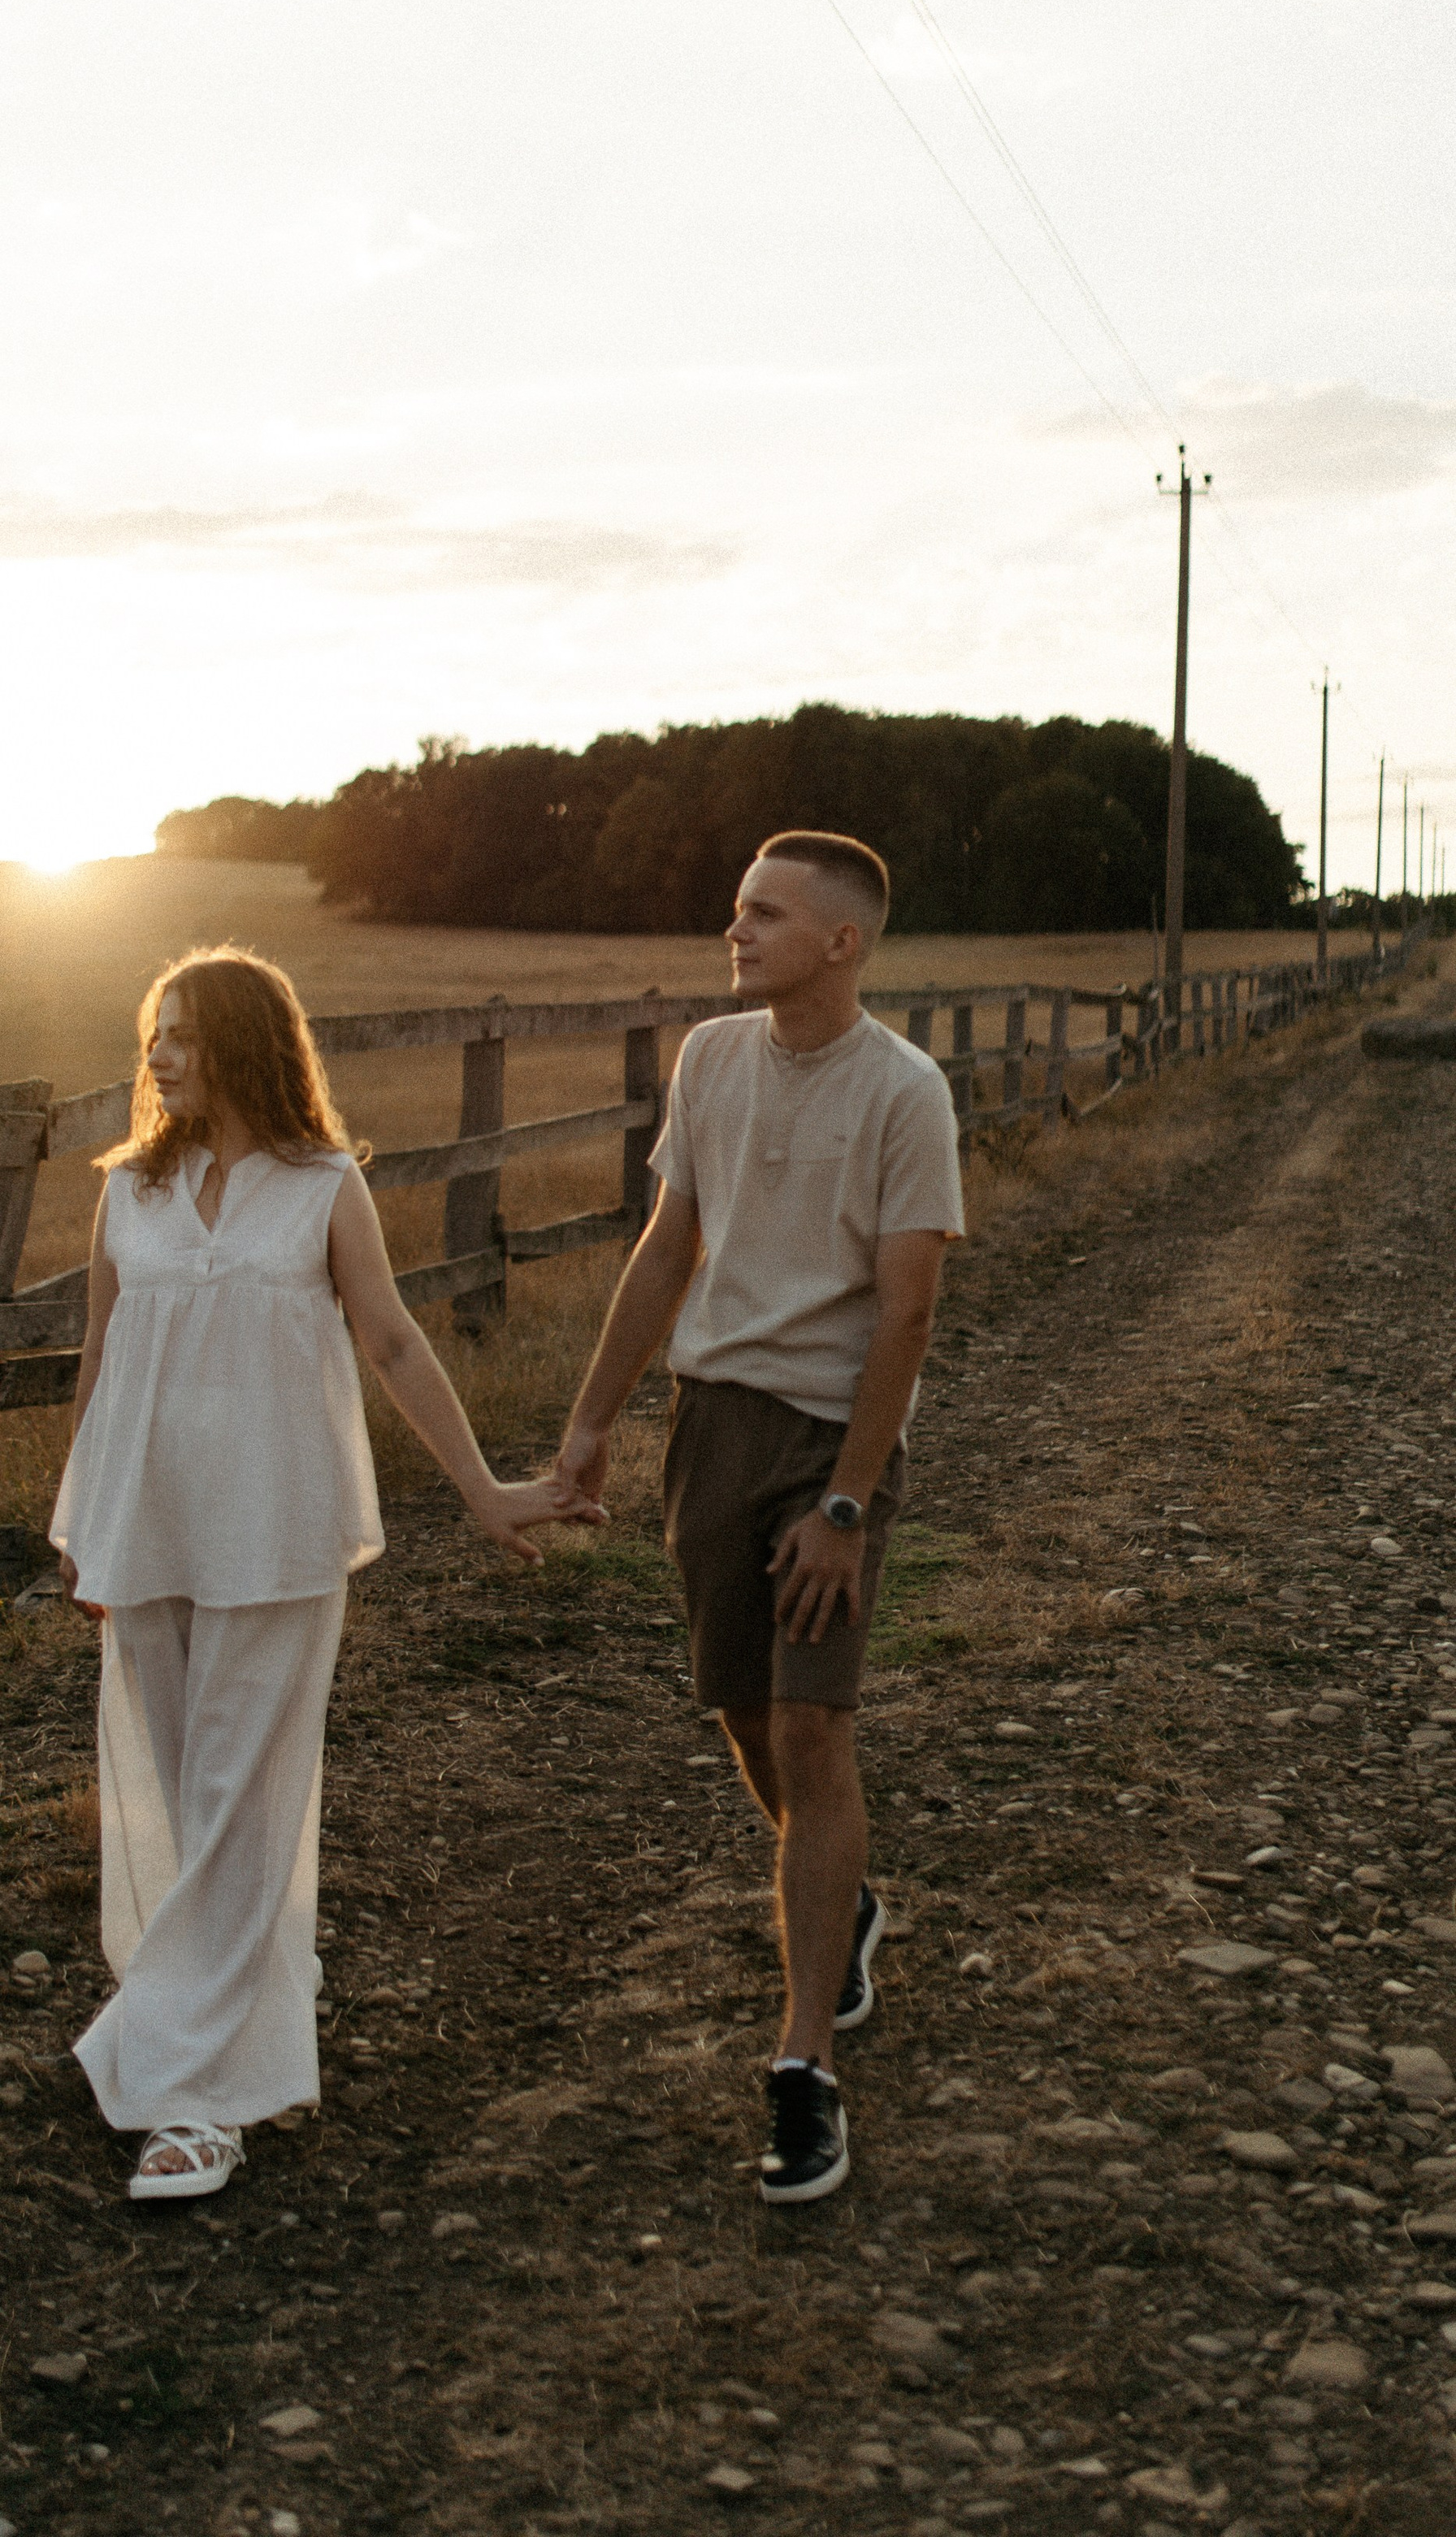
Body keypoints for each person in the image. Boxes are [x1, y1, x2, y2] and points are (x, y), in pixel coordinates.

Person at [53, 946, 600, 2201]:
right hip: (145, 1526)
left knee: (243, 1798)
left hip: (276, 1530)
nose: (158, 1055)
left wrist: (485, 1492)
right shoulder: (126, 1194)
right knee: (184, 1795)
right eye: (152, 1032)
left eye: (182, 1033)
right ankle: (235, 2012)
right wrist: (79, 1520)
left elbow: (395, 1344)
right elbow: (99, 1356)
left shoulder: (321, 1188)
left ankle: (195, 2099)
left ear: (248, 1042)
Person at [553, 833, 964, 2204]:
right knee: (740, 1707)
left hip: (832, 1436)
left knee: (810, 1722)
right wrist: (594, 1415)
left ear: (841, 941)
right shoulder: (714, 1061)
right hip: (712, 1420)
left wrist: (848, 1499)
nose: (736, 930)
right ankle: (841, 1903)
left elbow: (906, 1312)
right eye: (737, 906)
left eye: (765, 913)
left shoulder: (907, 1096)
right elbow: (671, 1245)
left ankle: (802, 2069)